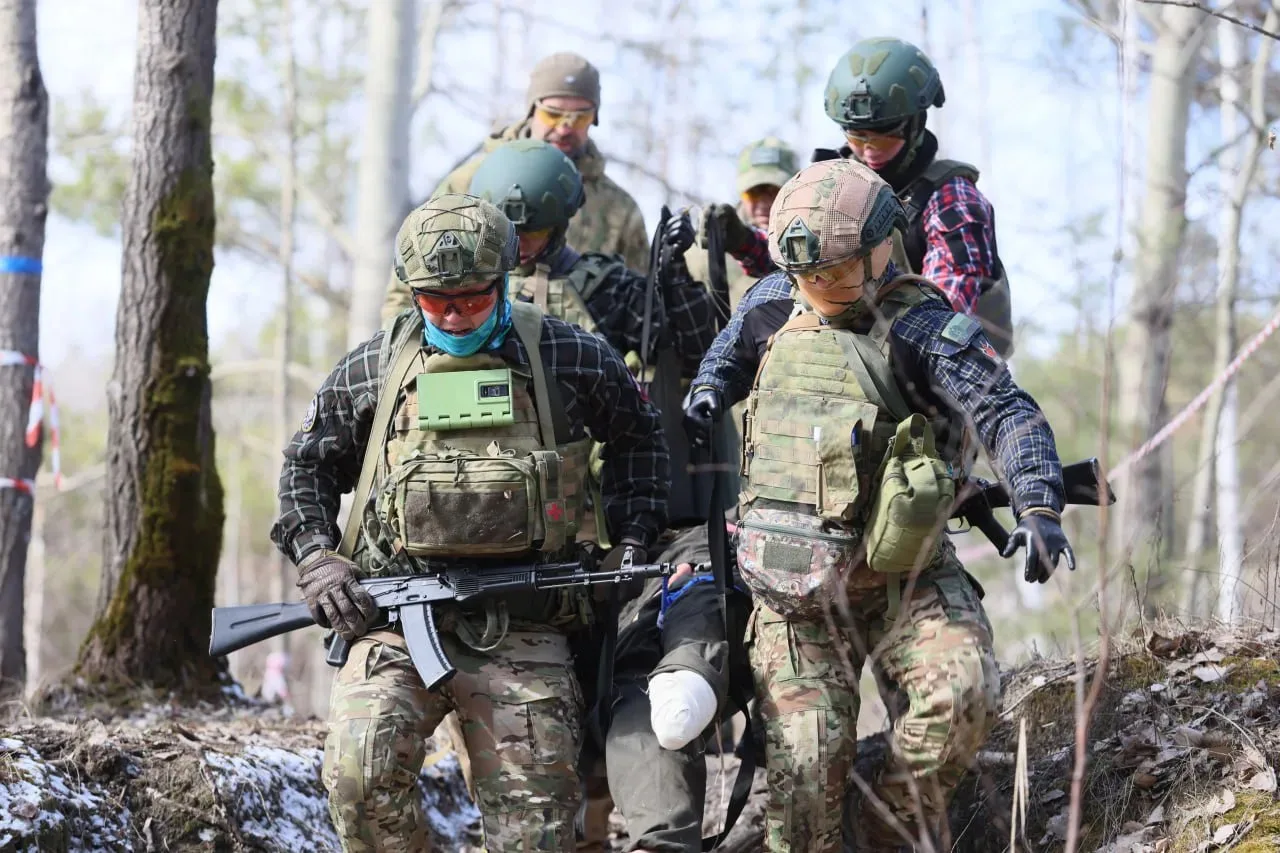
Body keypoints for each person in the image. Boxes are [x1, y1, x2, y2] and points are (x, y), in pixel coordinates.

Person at [682, 158, 1073, 851]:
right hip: (791, 594)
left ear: (882, 248)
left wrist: (1039, 504)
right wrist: (710, 388)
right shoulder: (773, 301)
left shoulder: (923, 329)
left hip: (904, 578)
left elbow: (1006, 411)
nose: (819, 288)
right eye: (808, 275)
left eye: (835, 270)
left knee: (963, 694)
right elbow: (729, 351)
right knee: (806, 760)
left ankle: (881, 824)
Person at [270, 194, 670, 852]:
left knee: (536, 831)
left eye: (473, 298)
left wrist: (630, 537)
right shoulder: (375, 367)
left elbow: (640, 440)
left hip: (525, 624)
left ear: (503, 280)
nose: (455, 313)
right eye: (436, 300)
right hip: (396, 619)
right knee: (357, 777)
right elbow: (304, 470)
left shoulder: (568, 357)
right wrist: (318, 556)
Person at [725, 37, 1014, 356]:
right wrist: (743, 241)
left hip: (939, 371)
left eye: (885, 137)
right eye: (857, 136)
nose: (869, 150)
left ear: (915, 125)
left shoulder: (952, 199)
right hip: (850, 360)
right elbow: (800, 269)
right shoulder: (835, 186)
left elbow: (945, 310)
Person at [383, 138, 715, 382]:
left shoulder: (604, 288)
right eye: (510, 231)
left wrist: (676, 278)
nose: (520, 244)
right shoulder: (449, 289)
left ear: (559, 226)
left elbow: (692, 354)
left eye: (534, 232)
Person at [430, 51, 648, 272]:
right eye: (552, 115)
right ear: (532, 110)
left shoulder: (618, 208)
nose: (564, 128)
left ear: (594, 118)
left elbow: (642, 295)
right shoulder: (467, 185)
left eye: (580, 117)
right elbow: (412, 285)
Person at [688, 137, 799, 309]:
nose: (763, 203)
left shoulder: (816, 240)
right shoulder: (703, 253)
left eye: (774, 192)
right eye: (754, 193)